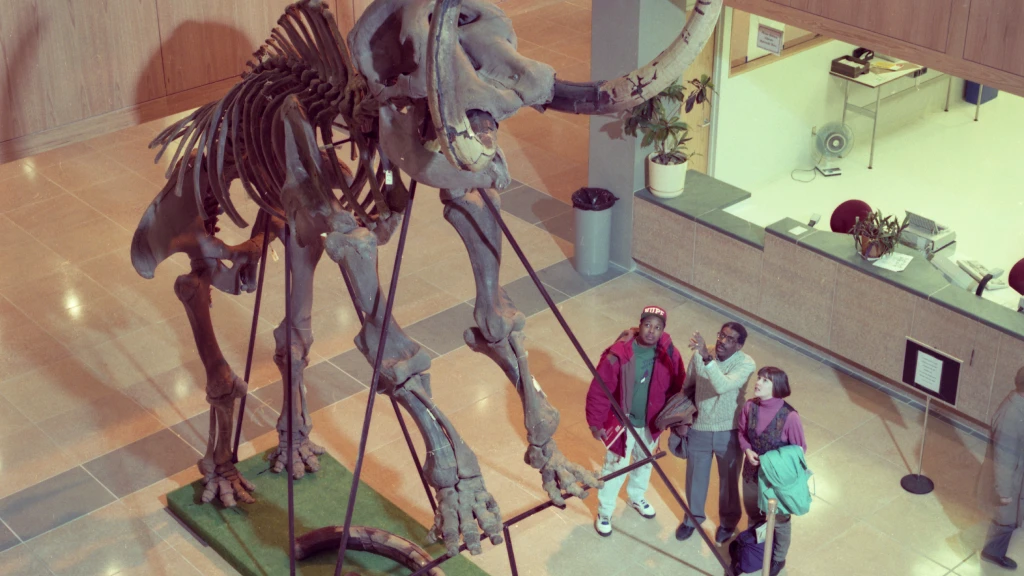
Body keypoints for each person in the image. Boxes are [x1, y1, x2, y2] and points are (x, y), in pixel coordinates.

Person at [586, 305, 687, 536]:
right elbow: (599, 390)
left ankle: (636, 496)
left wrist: (673, 417)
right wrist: (596, 423)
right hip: (623, 423)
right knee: (614, 466)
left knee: (644, 462)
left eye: (657, 327)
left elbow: (677, 385)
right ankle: (605, 510)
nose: (651, 331)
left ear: (663, 331)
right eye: (647, 325)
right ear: (639, 325)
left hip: (651, 424)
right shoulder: (619, 353)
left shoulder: (670, 354)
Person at [676, 322, 755, 545]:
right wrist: (683, 418)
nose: (722, 341)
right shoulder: (702, 353)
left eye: (730, 339)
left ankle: (728, 523)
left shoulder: (746, 363)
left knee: (729, 482)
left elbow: (722, 385)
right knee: (695, 479)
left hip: (728, 431)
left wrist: (706, 358)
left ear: (739, 346)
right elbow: (688, 386)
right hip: (699, 427)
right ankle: (692, 519)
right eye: (721, 335)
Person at [738, 367, 807, 576]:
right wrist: (747, 450)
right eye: (759, 378)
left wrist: (772, 462)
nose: (758, 382)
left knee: (780, 520)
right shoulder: (750, 406)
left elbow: (799, 450)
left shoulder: (790, 416)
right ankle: (758, 551)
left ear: (777, 387)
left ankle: (778, 557)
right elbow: (741, 433)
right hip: (751, 473)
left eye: (765, 381)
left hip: (776, 481)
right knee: (753, 514)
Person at [980, 367, 1024, 570]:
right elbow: (1003, 459)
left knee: (1008, 518)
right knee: (1005, 520)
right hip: (1010, 482)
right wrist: (1004, 492)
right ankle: (992, 553)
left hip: (1017, 477)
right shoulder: (1011, 416)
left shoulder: (1019, 406)